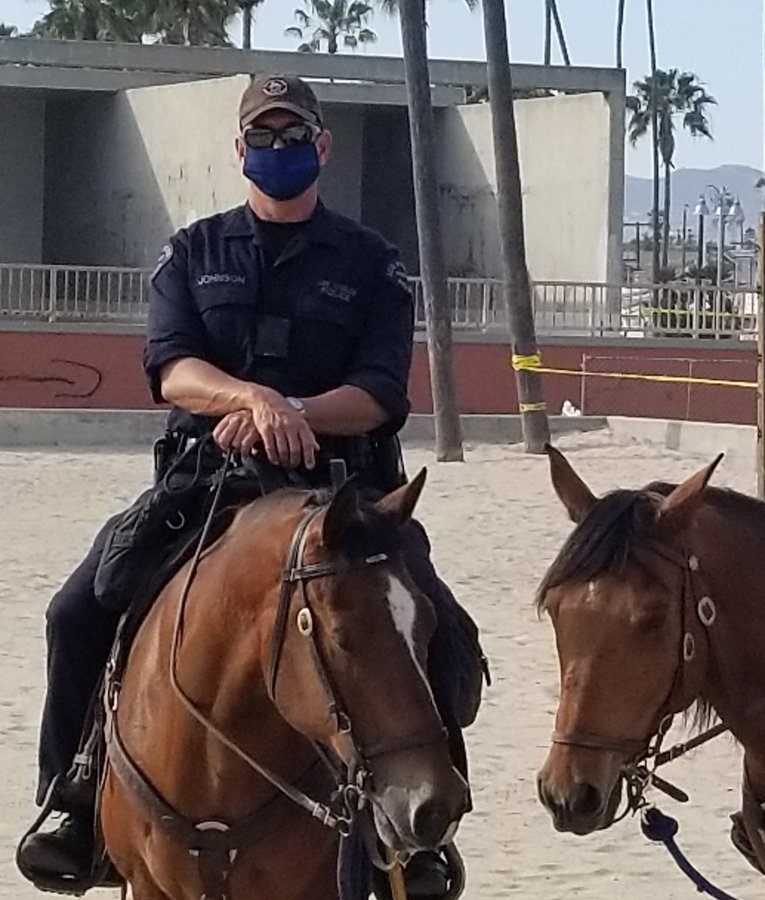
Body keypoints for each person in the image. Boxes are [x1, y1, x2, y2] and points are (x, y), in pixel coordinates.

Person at [17, 73, 482, 900]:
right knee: (78, 609)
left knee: (440, 630)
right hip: (207, 487)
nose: (279, 150)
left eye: (294, 135)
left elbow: (381, 391)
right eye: (263, 138)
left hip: (340, 498)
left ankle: (422, 832)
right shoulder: (192, 252)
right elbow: (171, 370)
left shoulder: (374, 265)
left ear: (323, 147)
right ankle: (75, 801)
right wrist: (250, 400)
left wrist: (296, 410)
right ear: (239, 151)